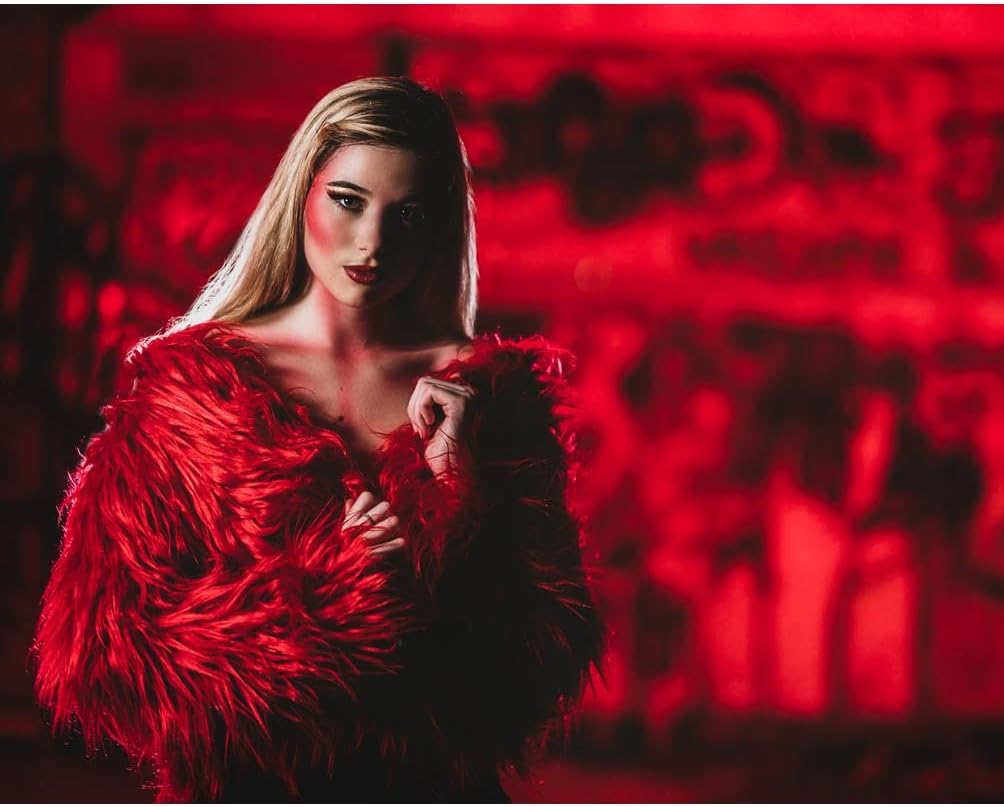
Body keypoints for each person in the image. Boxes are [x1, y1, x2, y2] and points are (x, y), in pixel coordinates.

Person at [30, 76, 606, 802]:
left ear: (439, 227)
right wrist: (328, 595)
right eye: (348, 201)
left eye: (409, 213)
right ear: (302, 190)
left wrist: (463, 494)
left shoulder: (490, 394)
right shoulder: (192, 387)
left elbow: (548, 655)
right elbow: (104, 654)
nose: (372, 241)